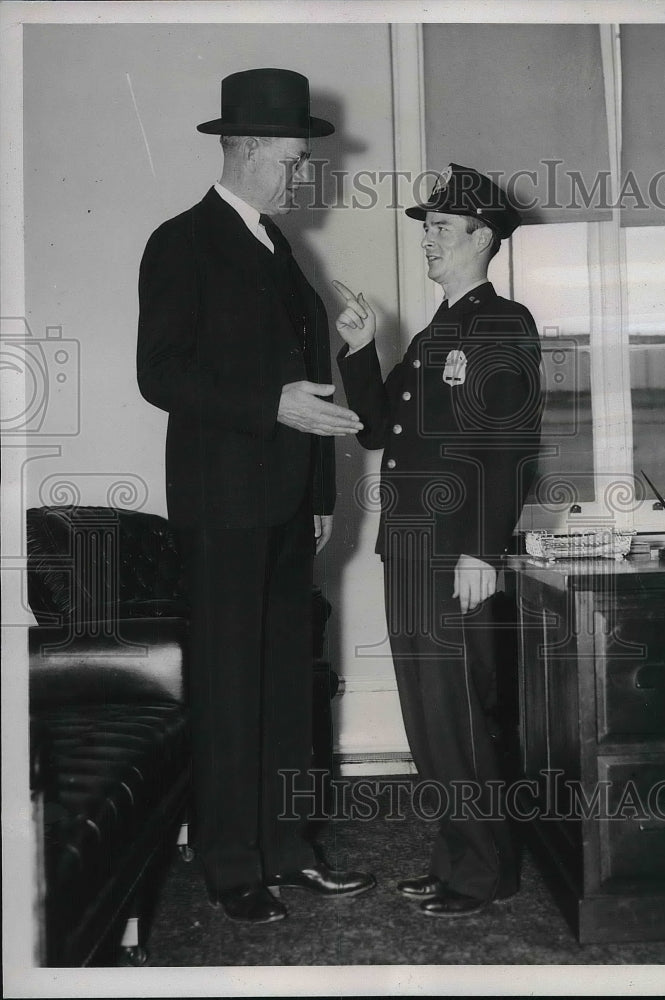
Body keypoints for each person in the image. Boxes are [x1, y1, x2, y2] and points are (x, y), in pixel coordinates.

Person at [137, 68, 375, 925]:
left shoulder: (279, 248)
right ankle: (231, 863)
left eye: (302, 162)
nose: (300, 177)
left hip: (285, 507)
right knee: (230, 684)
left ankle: (289, 849)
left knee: (284, 683)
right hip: (222, 506)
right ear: (240, 149)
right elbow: (159, 374)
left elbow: (310, 383)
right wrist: (268, 405)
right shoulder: (181, 241)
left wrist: (319, 492)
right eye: (290, 160)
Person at [334, 163, 542, 916]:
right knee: (428, 713)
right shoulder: (434, 332)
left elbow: (509, 445)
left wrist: (483, 549)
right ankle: (458, 857)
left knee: (458, 710)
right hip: (410, 545)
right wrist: (360, 349)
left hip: (455, 549)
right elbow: (374, 429)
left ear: (482, 239)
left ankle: (484, 871)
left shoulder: (502, 323)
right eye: (426, 228)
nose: (428, 239)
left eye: (442, 228)